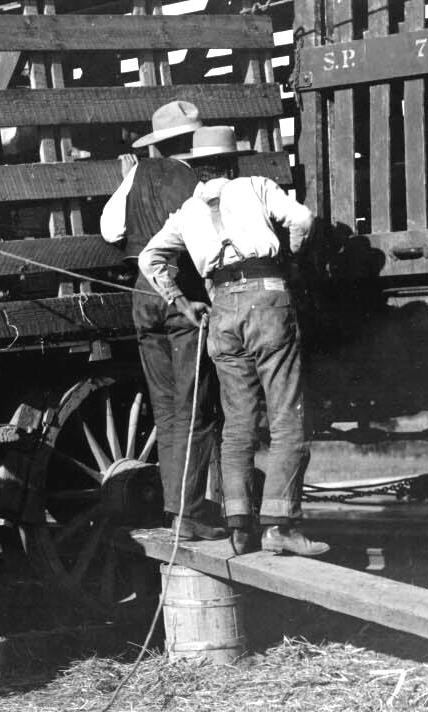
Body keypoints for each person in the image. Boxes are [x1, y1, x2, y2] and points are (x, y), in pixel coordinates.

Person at [138, 126, 323, 557]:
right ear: (233, 161)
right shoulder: (256, 186)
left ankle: (239, 527)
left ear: (199, 168)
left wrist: (181, 301)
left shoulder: (186, 211)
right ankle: (280, 526)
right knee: (286, 416)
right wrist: (292, 257)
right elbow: (303, 219)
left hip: (220, 310)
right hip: (268, 300)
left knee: (238, 424)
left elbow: (151, 257)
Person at [100, 100, 226, 541]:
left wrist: (131, 191)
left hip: (142, 294)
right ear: (191, 139)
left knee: (168, 410)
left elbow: (111, 230)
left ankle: (179, 510)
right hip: (182, 294)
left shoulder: (137, 175)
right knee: (196, 409)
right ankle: (187, 512)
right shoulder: (196, 179)